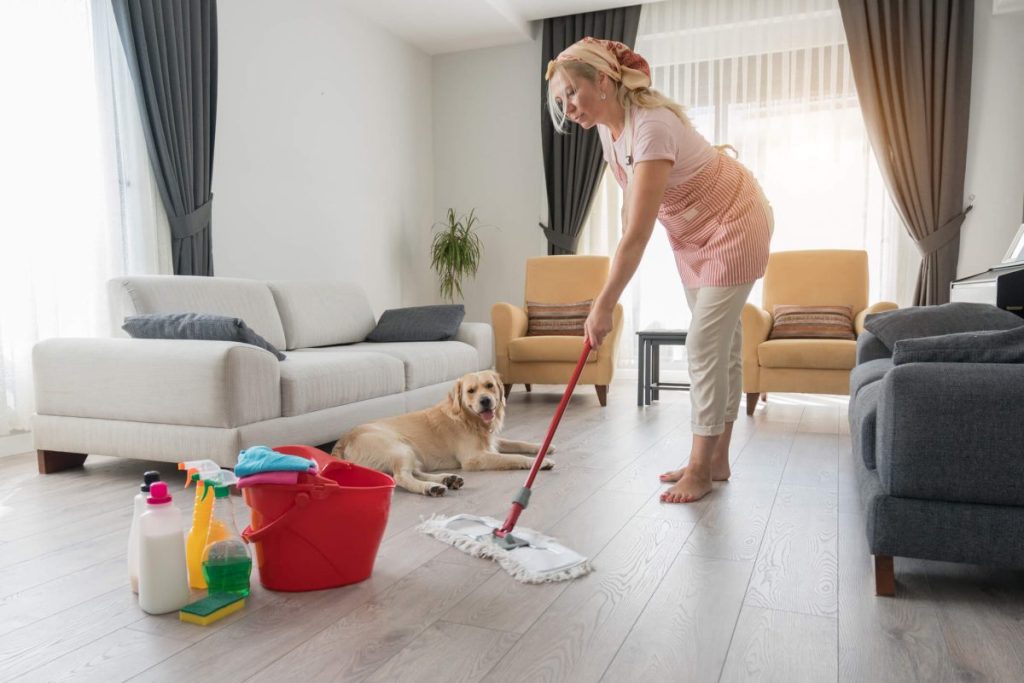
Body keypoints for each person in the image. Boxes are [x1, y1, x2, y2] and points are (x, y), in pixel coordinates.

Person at [546, 37, 773, 504]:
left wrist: (603, 304)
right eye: (560, 99)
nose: (568, 107)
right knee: (723, 345)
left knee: (704, 343)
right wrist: (605, 299)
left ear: (604, 82)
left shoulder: (651, 126)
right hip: (693, 234)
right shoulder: (610, 137)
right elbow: (631, 218)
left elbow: (637, 234)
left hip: (737, 219)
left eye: (572, 92)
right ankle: (717, 459)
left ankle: (699, 468)